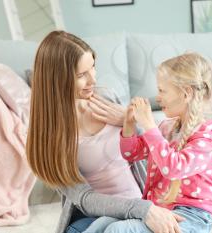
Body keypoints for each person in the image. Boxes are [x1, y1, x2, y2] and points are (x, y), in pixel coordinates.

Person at [26, 30, 184, 233]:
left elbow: (145, 154)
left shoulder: (107, 98)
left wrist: (129, 123)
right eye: (82, 75)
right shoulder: (48, 135)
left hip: (140, 201)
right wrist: (143, 210)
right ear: (56, 79)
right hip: (91, 216)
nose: (92, 80)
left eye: (93, 67)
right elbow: (83, 198)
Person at [82, 53, 212, 233]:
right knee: (103, 223)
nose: (157, 97)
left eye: (162, 90)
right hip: (161, 209)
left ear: (186, 93)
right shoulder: (166, 128)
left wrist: (148, 125)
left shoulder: (208, 139)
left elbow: (173, 169)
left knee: (119, 230)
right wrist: (129, 124)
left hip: (192, 217)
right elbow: (132, 154)